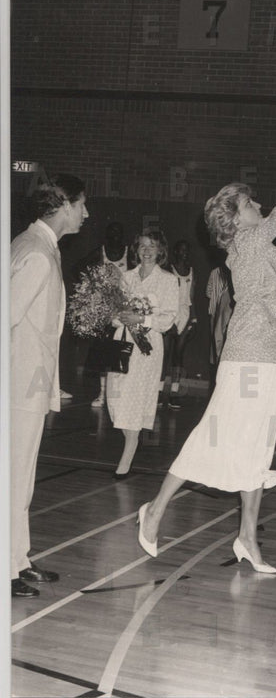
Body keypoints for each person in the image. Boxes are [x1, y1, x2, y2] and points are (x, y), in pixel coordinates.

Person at [136, 116, 276, 572]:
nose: (257, 204)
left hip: (275, 354)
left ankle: (248, 539)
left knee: (258, 447)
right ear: (236, 218)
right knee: (213, 436)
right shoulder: (250, 242)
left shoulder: (264, 251)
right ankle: (154, 509)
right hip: (247, 357)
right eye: (249, 202)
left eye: (253, 201)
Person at [11, 174, 89, 596]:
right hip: (19, 382)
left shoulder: (39, 247)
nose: (86, 213)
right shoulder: (37, 254)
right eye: (81, 205)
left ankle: (17, 559)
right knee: (14, 476)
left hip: (29, 382)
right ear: (62, 205)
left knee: (22, 477)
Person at [106, 229, 180, 478]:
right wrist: (121, 318)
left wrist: (141, 318)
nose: (147, 251)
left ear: (161, 251)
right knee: (115, 397)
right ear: (136, 250)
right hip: (122, 341)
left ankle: (128, 451)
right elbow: (113, 315)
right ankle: (130, 439)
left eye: (152, 246)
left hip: (147, 347)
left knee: (135, 397)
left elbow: (168, 319)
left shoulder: (169, 280)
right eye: (142, 246)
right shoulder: (125, 277)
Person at [81, 221, 129, 407]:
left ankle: (118, 394)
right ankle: (102, 393)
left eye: (118, 231)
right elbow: (77, 268)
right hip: (104, 308)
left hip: (123, 308)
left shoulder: (129, 253)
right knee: (103, 350)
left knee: (121, 351)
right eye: (112, 232)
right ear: (108, 235)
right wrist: (92, 286)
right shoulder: (100, 252)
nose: (115, 235)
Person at [159, 240, 197, 410]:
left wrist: (194, 319)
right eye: (181, 250)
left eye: (187, 250)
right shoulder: (168, 270)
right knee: (164, 355)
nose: (184, 253)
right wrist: (168, 319)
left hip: (184, 314)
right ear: (175, 252)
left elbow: (191, 298)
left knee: (178, 355)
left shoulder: (191, 271)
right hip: (169, 313)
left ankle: (174, 392)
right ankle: (159, 391)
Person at [206, 262, 234, 389]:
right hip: (215, 315)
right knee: (216, 350)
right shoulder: (215, 272)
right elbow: (208, 292)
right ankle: (216, 385)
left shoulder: (235, 272)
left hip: (231, 317)